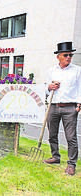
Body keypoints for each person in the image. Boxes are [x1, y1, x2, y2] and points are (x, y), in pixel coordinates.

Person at [43, 42, 81, 176]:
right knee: (52, 134)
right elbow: (45, 88)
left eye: (70, 55)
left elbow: (80, 87)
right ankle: (55, 157)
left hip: (69, 107)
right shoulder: (51, 70)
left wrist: (79, 103)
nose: (69, 57)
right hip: (53, 106)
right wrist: (50, 87)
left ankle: (71, 164)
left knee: (71, 137)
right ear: (58, 56)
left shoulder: (77, 70)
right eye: (66, 55)